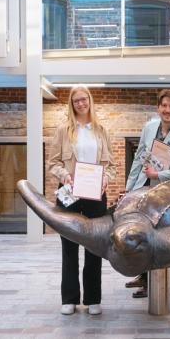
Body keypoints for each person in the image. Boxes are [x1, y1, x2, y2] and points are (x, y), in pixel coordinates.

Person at [47, 85, 117, 316]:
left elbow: (112, 166)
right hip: (69, 195)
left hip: (96, 196)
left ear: (90, 100)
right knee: (69, 248)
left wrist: (106, 178)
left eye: (83, 99)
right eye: (76, 100)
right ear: (71, 103)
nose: (80, 103)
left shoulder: (101, 130)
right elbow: (53, 163)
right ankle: (69, 299)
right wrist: (65, 175)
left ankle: (93, 299)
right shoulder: (63, 131)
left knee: (94, 248)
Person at [123, 89, 170, 297]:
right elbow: (138, 158)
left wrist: (160, 173)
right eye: (163, 106)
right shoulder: (149, 127)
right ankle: (144, 276)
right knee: (138, 231)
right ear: (158, 108)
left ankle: (151, 283)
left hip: (166, 194)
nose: (167, 110)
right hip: (143, 187)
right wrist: (129, 188)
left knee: (155, 237)